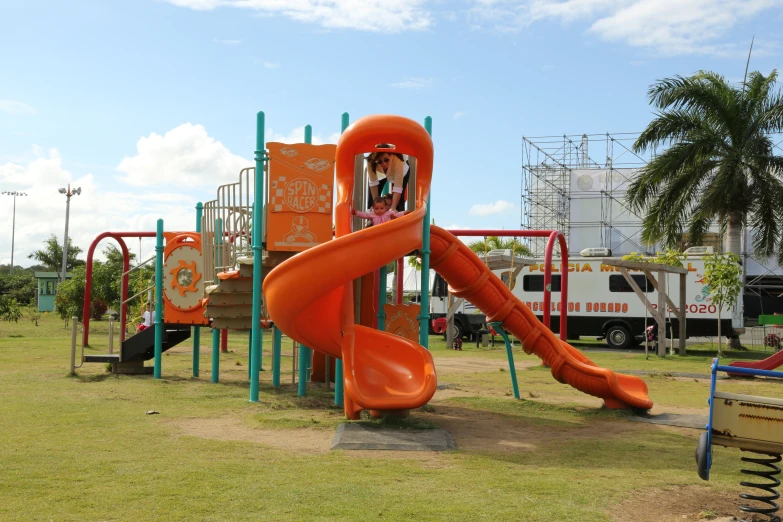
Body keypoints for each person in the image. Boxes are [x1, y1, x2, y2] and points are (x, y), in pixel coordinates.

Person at [366, 145, 409, 212]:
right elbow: (373, 184)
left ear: (390, 156)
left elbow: (398, 189)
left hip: (400, 171)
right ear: (375, 161)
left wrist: (393, 208)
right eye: (380, 162)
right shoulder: (371, 162)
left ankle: (398, 219)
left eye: (386, 160)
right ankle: (372, 219)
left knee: (399, 201)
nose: (384, 164)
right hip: (381, 172)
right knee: (372, 200)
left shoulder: (397, 160)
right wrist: (375, 205)